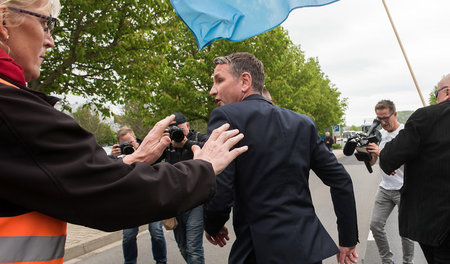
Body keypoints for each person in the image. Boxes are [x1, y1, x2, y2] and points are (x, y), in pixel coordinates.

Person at [0, 1, 247, 263]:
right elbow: (108, 195)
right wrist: (204, 166)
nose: (50, 41)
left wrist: (134, 160)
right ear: (5, 22)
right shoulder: (12, 110)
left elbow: (78, 180)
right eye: (46, 23)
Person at [203, 52, 359, 264]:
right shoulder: (303, 123)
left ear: (245, 81)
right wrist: (348, 239)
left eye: (219, 80)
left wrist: (212, 224)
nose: (213, 91)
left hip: (259, 252)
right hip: (307, 249)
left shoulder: (226, 117)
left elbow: (220, 189)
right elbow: (341, 180)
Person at [379, 75, 450, 264]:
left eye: (437, 93)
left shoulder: (427, 116)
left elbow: (388, 159)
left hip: (438, 225)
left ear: (447, 92)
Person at [366, 100, 414, 264]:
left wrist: (383, 155)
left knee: (405, 231)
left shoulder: (405, 133)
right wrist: (369, 154)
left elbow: (408, 161)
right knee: (375, 225)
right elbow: (373, 162)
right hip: (385, 188)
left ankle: (408, 261)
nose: (383, 122)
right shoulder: (380, 135)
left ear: (394, 114)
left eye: (386, 117)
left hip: (404, 189)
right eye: (379, 118)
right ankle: (387, 260)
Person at [110, 127, 167, 264]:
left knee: (157, 233)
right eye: (125, 143)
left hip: (151, 199)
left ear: (136, 140)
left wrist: (140, 153)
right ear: (119, 144)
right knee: (128, 236)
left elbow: (157, 167)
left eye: (131, 142)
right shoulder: (117, 158)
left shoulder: (148, 150)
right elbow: (106, 172)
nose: (130, 145)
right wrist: (112, 157)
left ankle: (161, 261)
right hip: (130, 202)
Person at [160, 113, 208, 264]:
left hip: (196, 201)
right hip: (176, 203)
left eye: (179, 129)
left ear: (187, 126)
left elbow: (209, 150)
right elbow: (150, 160)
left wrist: (187, 144)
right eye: (173, 131)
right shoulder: (168, 145)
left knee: (194, 247)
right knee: (183, 246)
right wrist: (161, 143)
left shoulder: (199, 138)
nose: (177, 134)